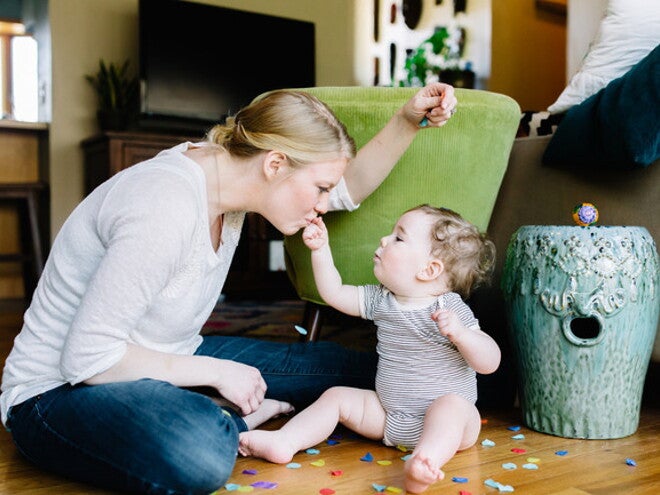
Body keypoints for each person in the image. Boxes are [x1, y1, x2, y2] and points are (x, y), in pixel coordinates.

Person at [0, 84, 458, 495]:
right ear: (275, 163)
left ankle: (218, 408)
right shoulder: (164, 205)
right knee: (197, 452)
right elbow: (88, 357)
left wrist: (406, 120)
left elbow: (348, 187)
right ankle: (228, 416)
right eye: (319, 189)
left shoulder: (234, 178)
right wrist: (217, 373)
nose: (324, 205)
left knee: (362, 370)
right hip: (57, 393)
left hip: (167, 354)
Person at [238, 204, 501, 494]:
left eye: (399, 238)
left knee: (451, 406)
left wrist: (462, 335)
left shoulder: (449, 308)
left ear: (429, 270)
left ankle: (426, 460)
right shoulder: (381, 300)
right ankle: (286, 441)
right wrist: (320, 250)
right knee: (337, 397)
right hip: (389, 417)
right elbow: (334, 293)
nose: (384, 240)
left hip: (449, 426)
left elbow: (490, 361)